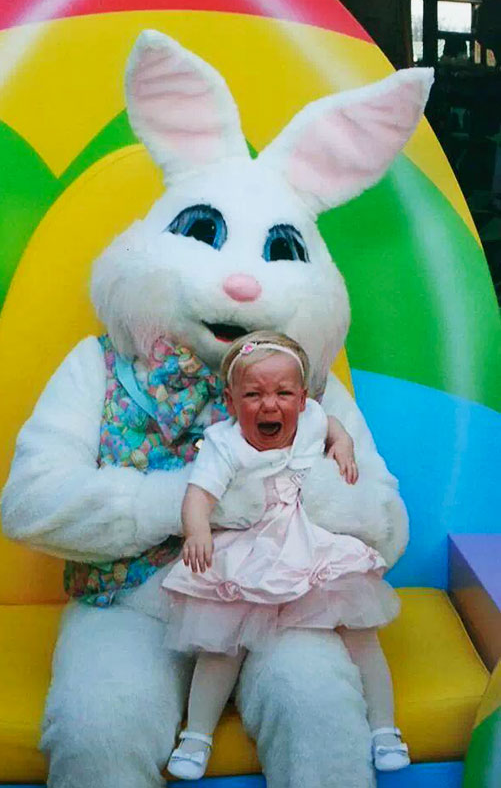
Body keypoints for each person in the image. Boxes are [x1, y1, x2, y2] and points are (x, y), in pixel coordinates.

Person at [163, 331, 409, 780]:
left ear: (301, 399)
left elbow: (333, 424)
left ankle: (385, 728)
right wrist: (196, 529)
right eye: (253, 394)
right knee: (221, 644)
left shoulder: (313, 418)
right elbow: (198, 494)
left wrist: (343, 446)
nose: (269, 405)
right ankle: (196, 736)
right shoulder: (225, 443)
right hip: (254, 546)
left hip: (310, 541)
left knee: (360, 632)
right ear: (233, 402)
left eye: (283, 393)